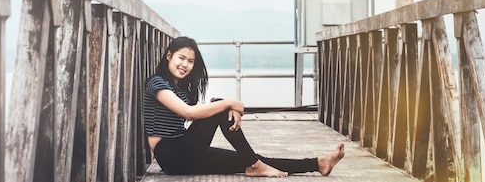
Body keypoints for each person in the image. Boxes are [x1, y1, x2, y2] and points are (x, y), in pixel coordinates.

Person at [143, 36, 345, 177]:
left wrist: (224, 106)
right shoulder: (157, 83)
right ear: (169, 56)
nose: (185, 64)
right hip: (170, 155)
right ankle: (255, 165)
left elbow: (197, 112)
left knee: (251, 159)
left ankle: (317, 164)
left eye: (190, 61)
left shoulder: (181, 89)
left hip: (185, 153)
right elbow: (187, 112)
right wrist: (228, 104)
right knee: (219, 106)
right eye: (181, 58)